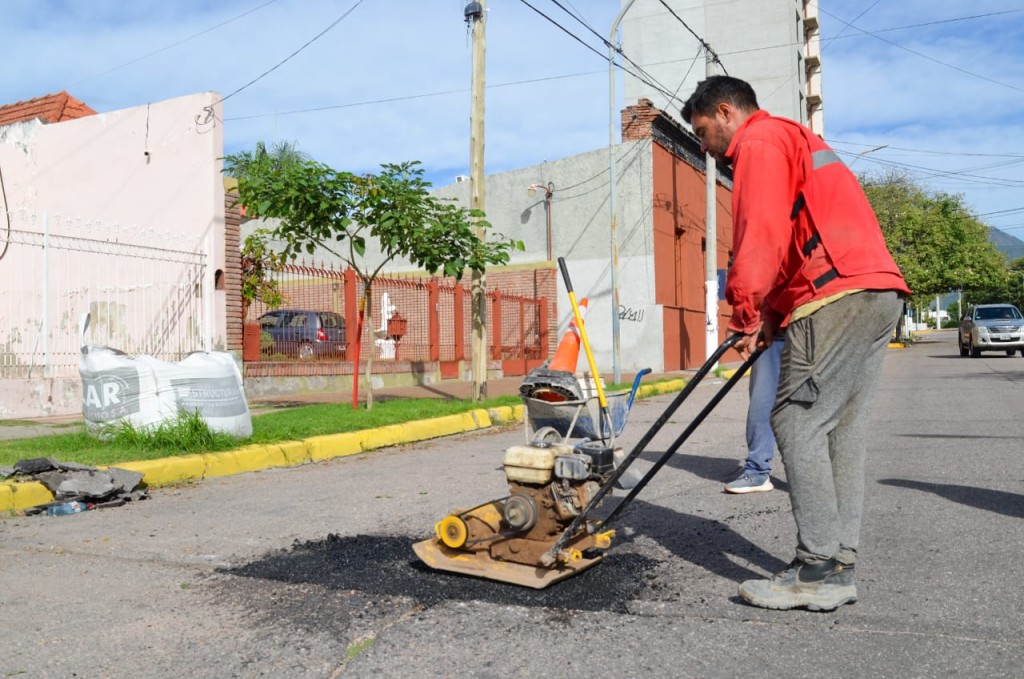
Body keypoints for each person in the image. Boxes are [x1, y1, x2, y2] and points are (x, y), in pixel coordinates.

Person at [682, 76, 910, 611]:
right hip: (875, 292)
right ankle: (838, 563)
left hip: (835, 295)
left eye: (701, 131)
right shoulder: (794, 141)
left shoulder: (758, 142)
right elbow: (794, 238)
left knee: (794, 421)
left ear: (725, 112)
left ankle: (815, 568)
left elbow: (759, 232)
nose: (702, 144)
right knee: (840, 432)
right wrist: (770, 315)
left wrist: (743, 306)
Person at [724, 334, 784, 494]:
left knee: (814, 405)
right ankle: (757, 470)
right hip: (775, 332)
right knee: (762, 400)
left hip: (815, 326)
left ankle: (828, 474)